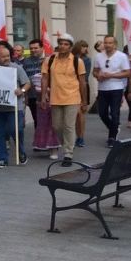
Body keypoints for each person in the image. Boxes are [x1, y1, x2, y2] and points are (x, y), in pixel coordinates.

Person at [0, 41, 30, 168]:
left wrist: (22, 90)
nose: (6, 59)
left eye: (8, 56)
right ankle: (2, 158)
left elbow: (27, 83)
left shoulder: (17, 68)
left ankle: (20, 150)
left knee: (16, 129)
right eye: (3, 57)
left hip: (14, 106)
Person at [42, 34, 87, 165]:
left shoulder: (77, 61)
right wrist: (44, 95)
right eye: (61, 43)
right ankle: (68, 144)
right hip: (55, 97)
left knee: (69, 125)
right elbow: (44, 78)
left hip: (72, 97)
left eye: (66, 44)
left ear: (71, 47)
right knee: (57, 126)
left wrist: (84, 100)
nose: (63, 46)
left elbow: (82, 82)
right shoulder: (50, 60)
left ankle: (68, 153)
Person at [93, 35, 131, 147]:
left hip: (116, 88)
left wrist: (112, 75)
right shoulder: (99, 56)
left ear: (115, 44)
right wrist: (98, 76)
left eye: (110, 43)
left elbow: (127, 72)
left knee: (115, 113)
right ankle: (113, 128)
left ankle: (112, 137)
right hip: (103, 88)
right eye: (105, 42)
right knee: (102, 113)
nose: (107, 45)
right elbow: (95, 71)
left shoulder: (122, 56)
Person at [72, 39, 93, 147]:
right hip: (71, 87)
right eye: (83, 46)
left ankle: (80, 136)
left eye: (86, 47)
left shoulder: (86, 60)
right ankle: (74, 135)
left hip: (83, 86)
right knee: (73, 114)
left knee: (80, 113)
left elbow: (85, 76)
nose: (85, 49)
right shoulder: (71, 58)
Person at [21, 40, 45, 132]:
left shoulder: (48, 59)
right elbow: (23, 79)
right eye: (31, 48)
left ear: (42, 48)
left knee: (47, 119)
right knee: (36, 119)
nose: (33, 50)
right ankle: (39, 142)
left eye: (36, 48)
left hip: (46, 95)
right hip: (32, 96)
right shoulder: (25, 62)